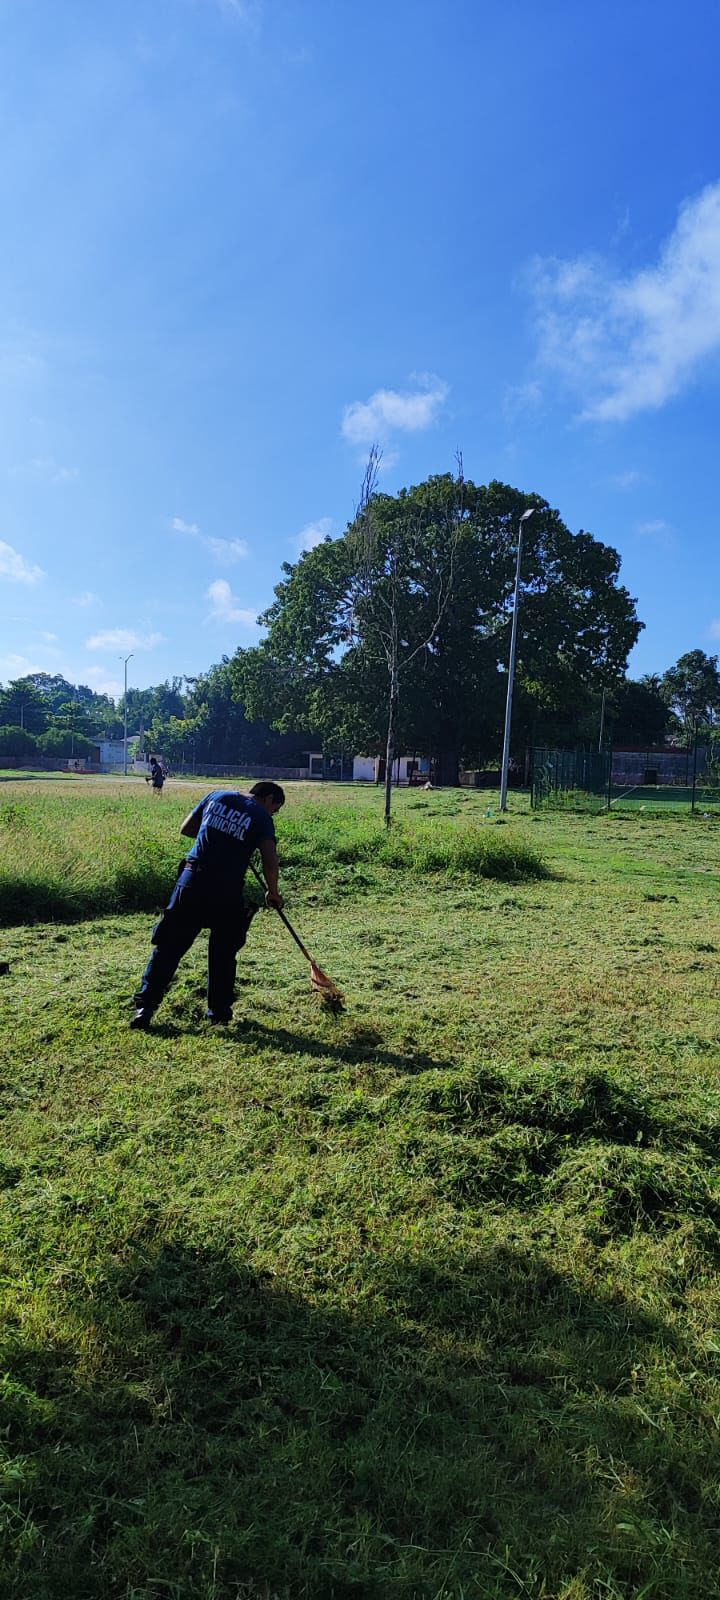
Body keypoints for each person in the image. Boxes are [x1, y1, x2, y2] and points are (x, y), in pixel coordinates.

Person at [130, 780, 285, 1030]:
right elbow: (270, 861)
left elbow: (187, 829)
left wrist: (220, 837)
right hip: (225, 889)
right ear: (268, 798)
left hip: (191, 882)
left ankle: (145, 1007)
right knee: (223, 952)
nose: (272, 813)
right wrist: (273, 892)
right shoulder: (261, 817)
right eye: (274, 808)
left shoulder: (217, 795)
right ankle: (218, 1014)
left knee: (169, 946)